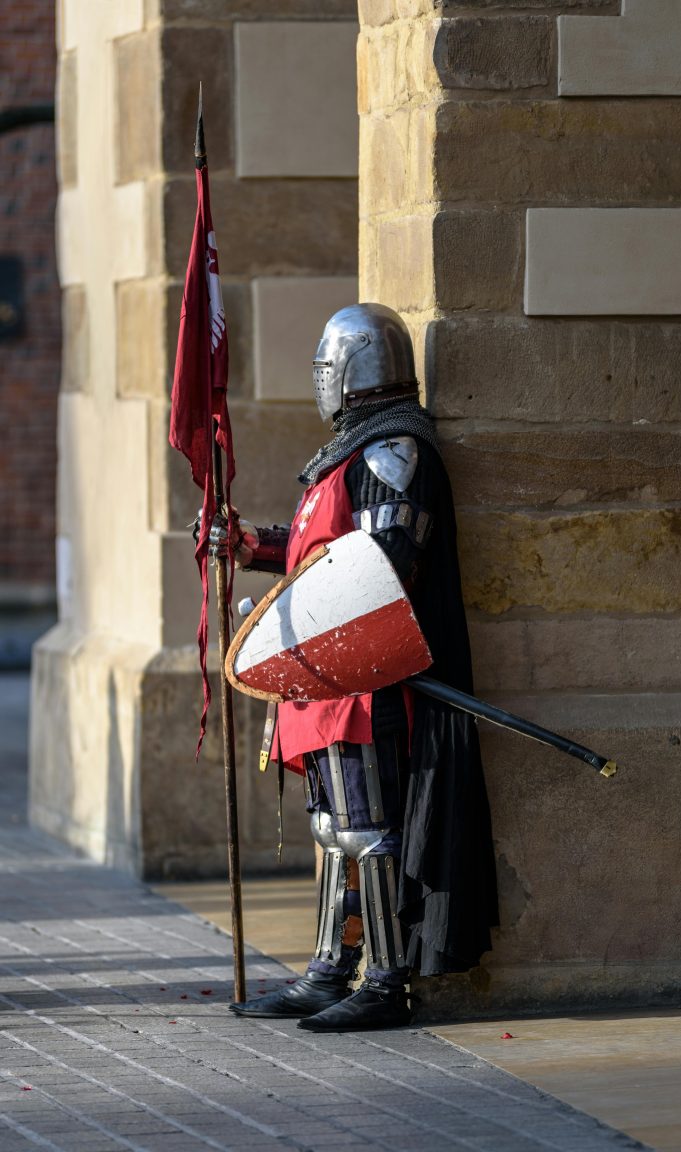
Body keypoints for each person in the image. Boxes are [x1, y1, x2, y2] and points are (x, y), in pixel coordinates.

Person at [201, 303, 498, 1031]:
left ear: (353, 373)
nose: (320, 382)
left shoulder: (393, 452)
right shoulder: (350, 451)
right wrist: (251, 549)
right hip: (324, 679)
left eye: (326, 368)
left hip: (367, 680)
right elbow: (321, 554)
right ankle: (331, 969)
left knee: (369, 832)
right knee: (334, 830)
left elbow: (377, 570)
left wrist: (281, 616)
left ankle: (386, 979)